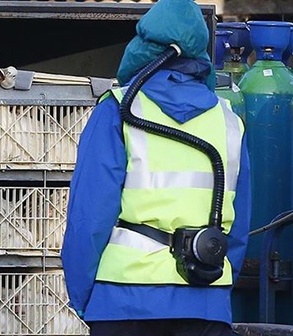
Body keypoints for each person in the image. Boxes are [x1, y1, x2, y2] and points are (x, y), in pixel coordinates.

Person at [61, 0, 251, 335]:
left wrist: (86, 298)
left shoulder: (118, 111)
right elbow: (238, 227)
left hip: (123, 304)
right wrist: (214, 293)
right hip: (205, 305)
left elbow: (89, 218)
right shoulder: (229, 122)